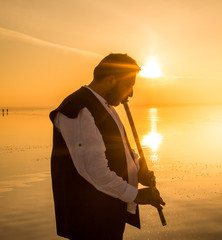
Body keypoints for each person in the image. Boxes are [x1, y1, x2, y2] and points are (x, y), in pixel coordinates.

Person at [49, 53, 165, 240]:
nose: (131, 94)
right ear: (112, 80)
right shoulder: (79, 109)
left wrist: (138, 170)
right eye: (129, 85)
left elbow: (121, 149)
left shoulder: (105, 107)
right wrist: (137, 195)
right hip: (89, 222)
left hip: (107, 215)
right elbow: (95, 170)